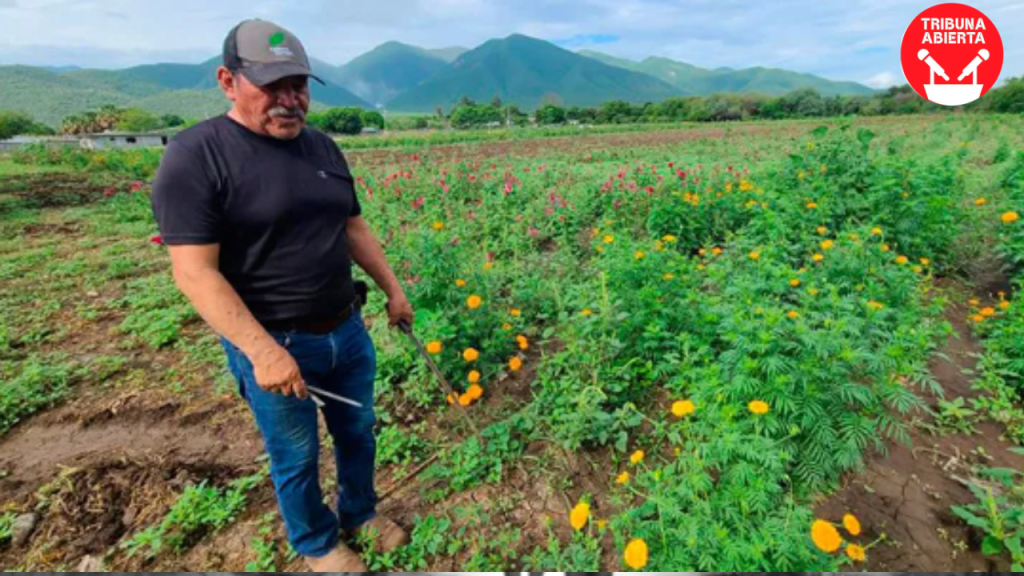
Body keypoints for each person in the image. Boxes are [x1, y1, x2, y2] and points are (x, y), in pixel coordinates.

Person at [150, 18, 414, 572]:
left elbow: (352, 228)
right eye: (271, 86)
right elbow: (196, 272)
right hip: (275, 342)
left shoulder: (322, 147)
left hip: (347, 328)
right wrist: (263, 350)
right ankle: (317, 544)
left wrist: (393, 290)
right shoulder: (196, 157)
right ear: (227, 80)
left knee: (358, 432)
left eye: (298, 86)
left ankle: (360, 512)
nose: (289, 100)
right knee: (296, 454)